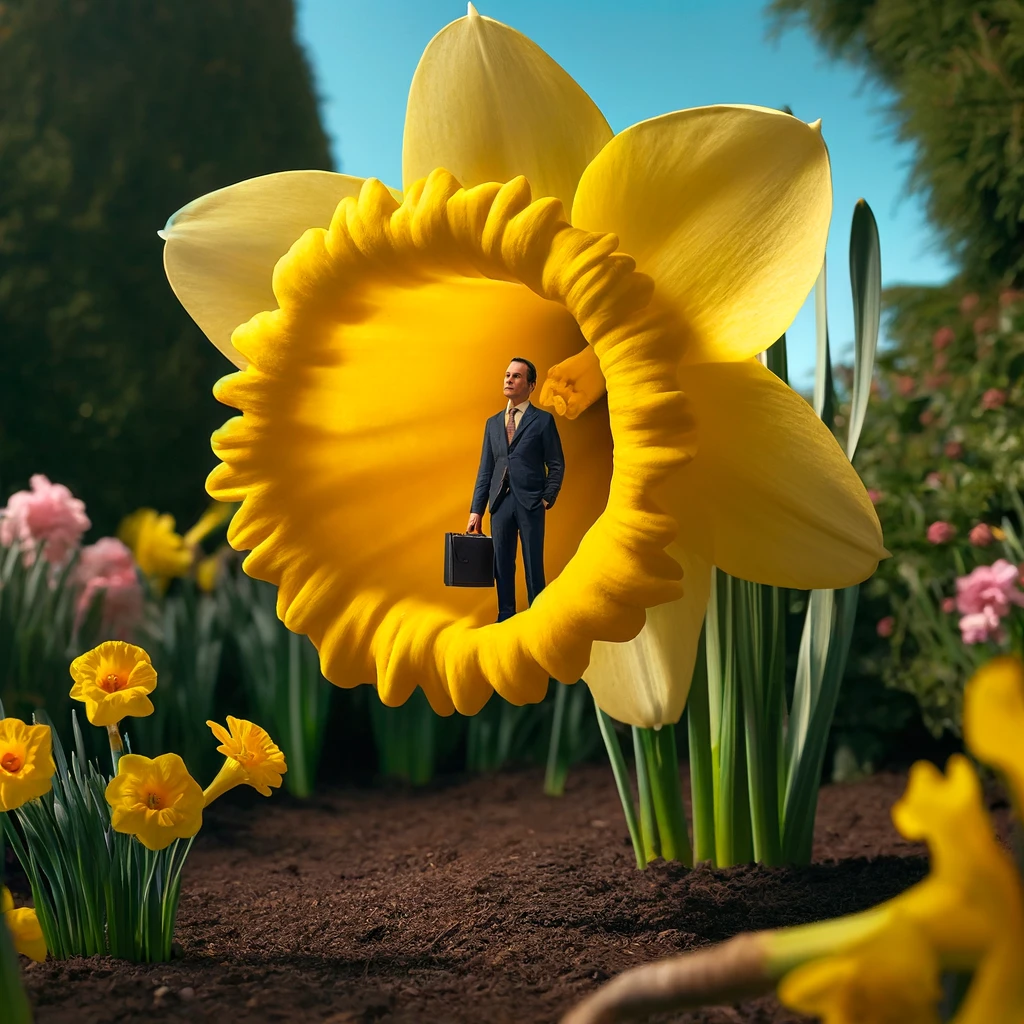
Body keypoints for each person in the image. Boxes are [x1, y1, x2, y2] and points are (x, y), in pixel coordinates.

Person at [467, 358, 565, 621]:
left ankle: (538, 616)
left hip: (531, 501)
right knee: (502, 565)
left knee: (533, 563)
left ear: (531, 385)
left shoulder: (543, 421)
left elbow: (556, 464)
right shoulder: (493, 423)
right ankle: (506, 616)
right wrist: (476, 510)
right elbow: (485, 469)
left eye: (517, 376)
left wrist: (546, 498)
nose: (509, 380)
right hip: (500, 502)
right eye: (507, 375)